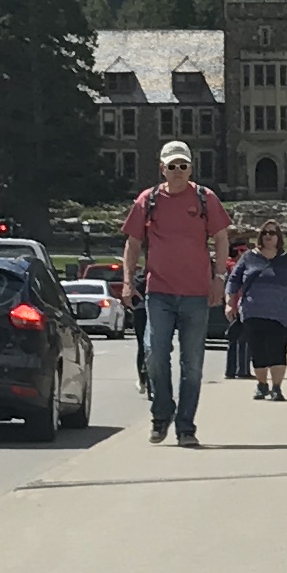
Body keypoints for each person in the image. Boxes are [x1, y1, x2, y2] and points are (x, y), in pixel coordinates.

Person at [119, 141, 229, 448]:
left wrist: (219, 278)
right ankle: (162, 412)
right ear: (162, 169)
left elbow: (221, 238)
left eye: (183, 166)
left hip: (196, 293)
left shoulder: (205, 198)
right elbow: (133, 242)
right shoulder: (149, 199)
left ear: (191, 169)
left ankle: (185, 427)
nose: (178, 171)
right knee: (155, 354)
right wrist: (127, 281)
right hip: (159, 291)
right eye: (172, 166)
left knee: (192, 364)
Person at [237, 232, 287, 402]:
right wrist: (228, 302)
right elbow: (234, 280)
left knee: (278, 349)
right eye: (265, 233)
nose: (268, 236)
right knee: (258, 349)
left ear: (279, 238)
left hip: (283, 313)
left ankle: (277, 387)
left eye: (273, 233)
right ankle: (262, 385)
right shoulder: (249, 258)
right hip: (254, 311)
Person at [220, 230, 257, 383]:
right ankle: (242, 370)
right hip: (238, 305)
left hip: (235, 305)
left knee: (234, 339)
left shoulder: (229, 265)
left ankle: (232, 370)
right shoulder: (234, 266)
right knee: (243, 339)